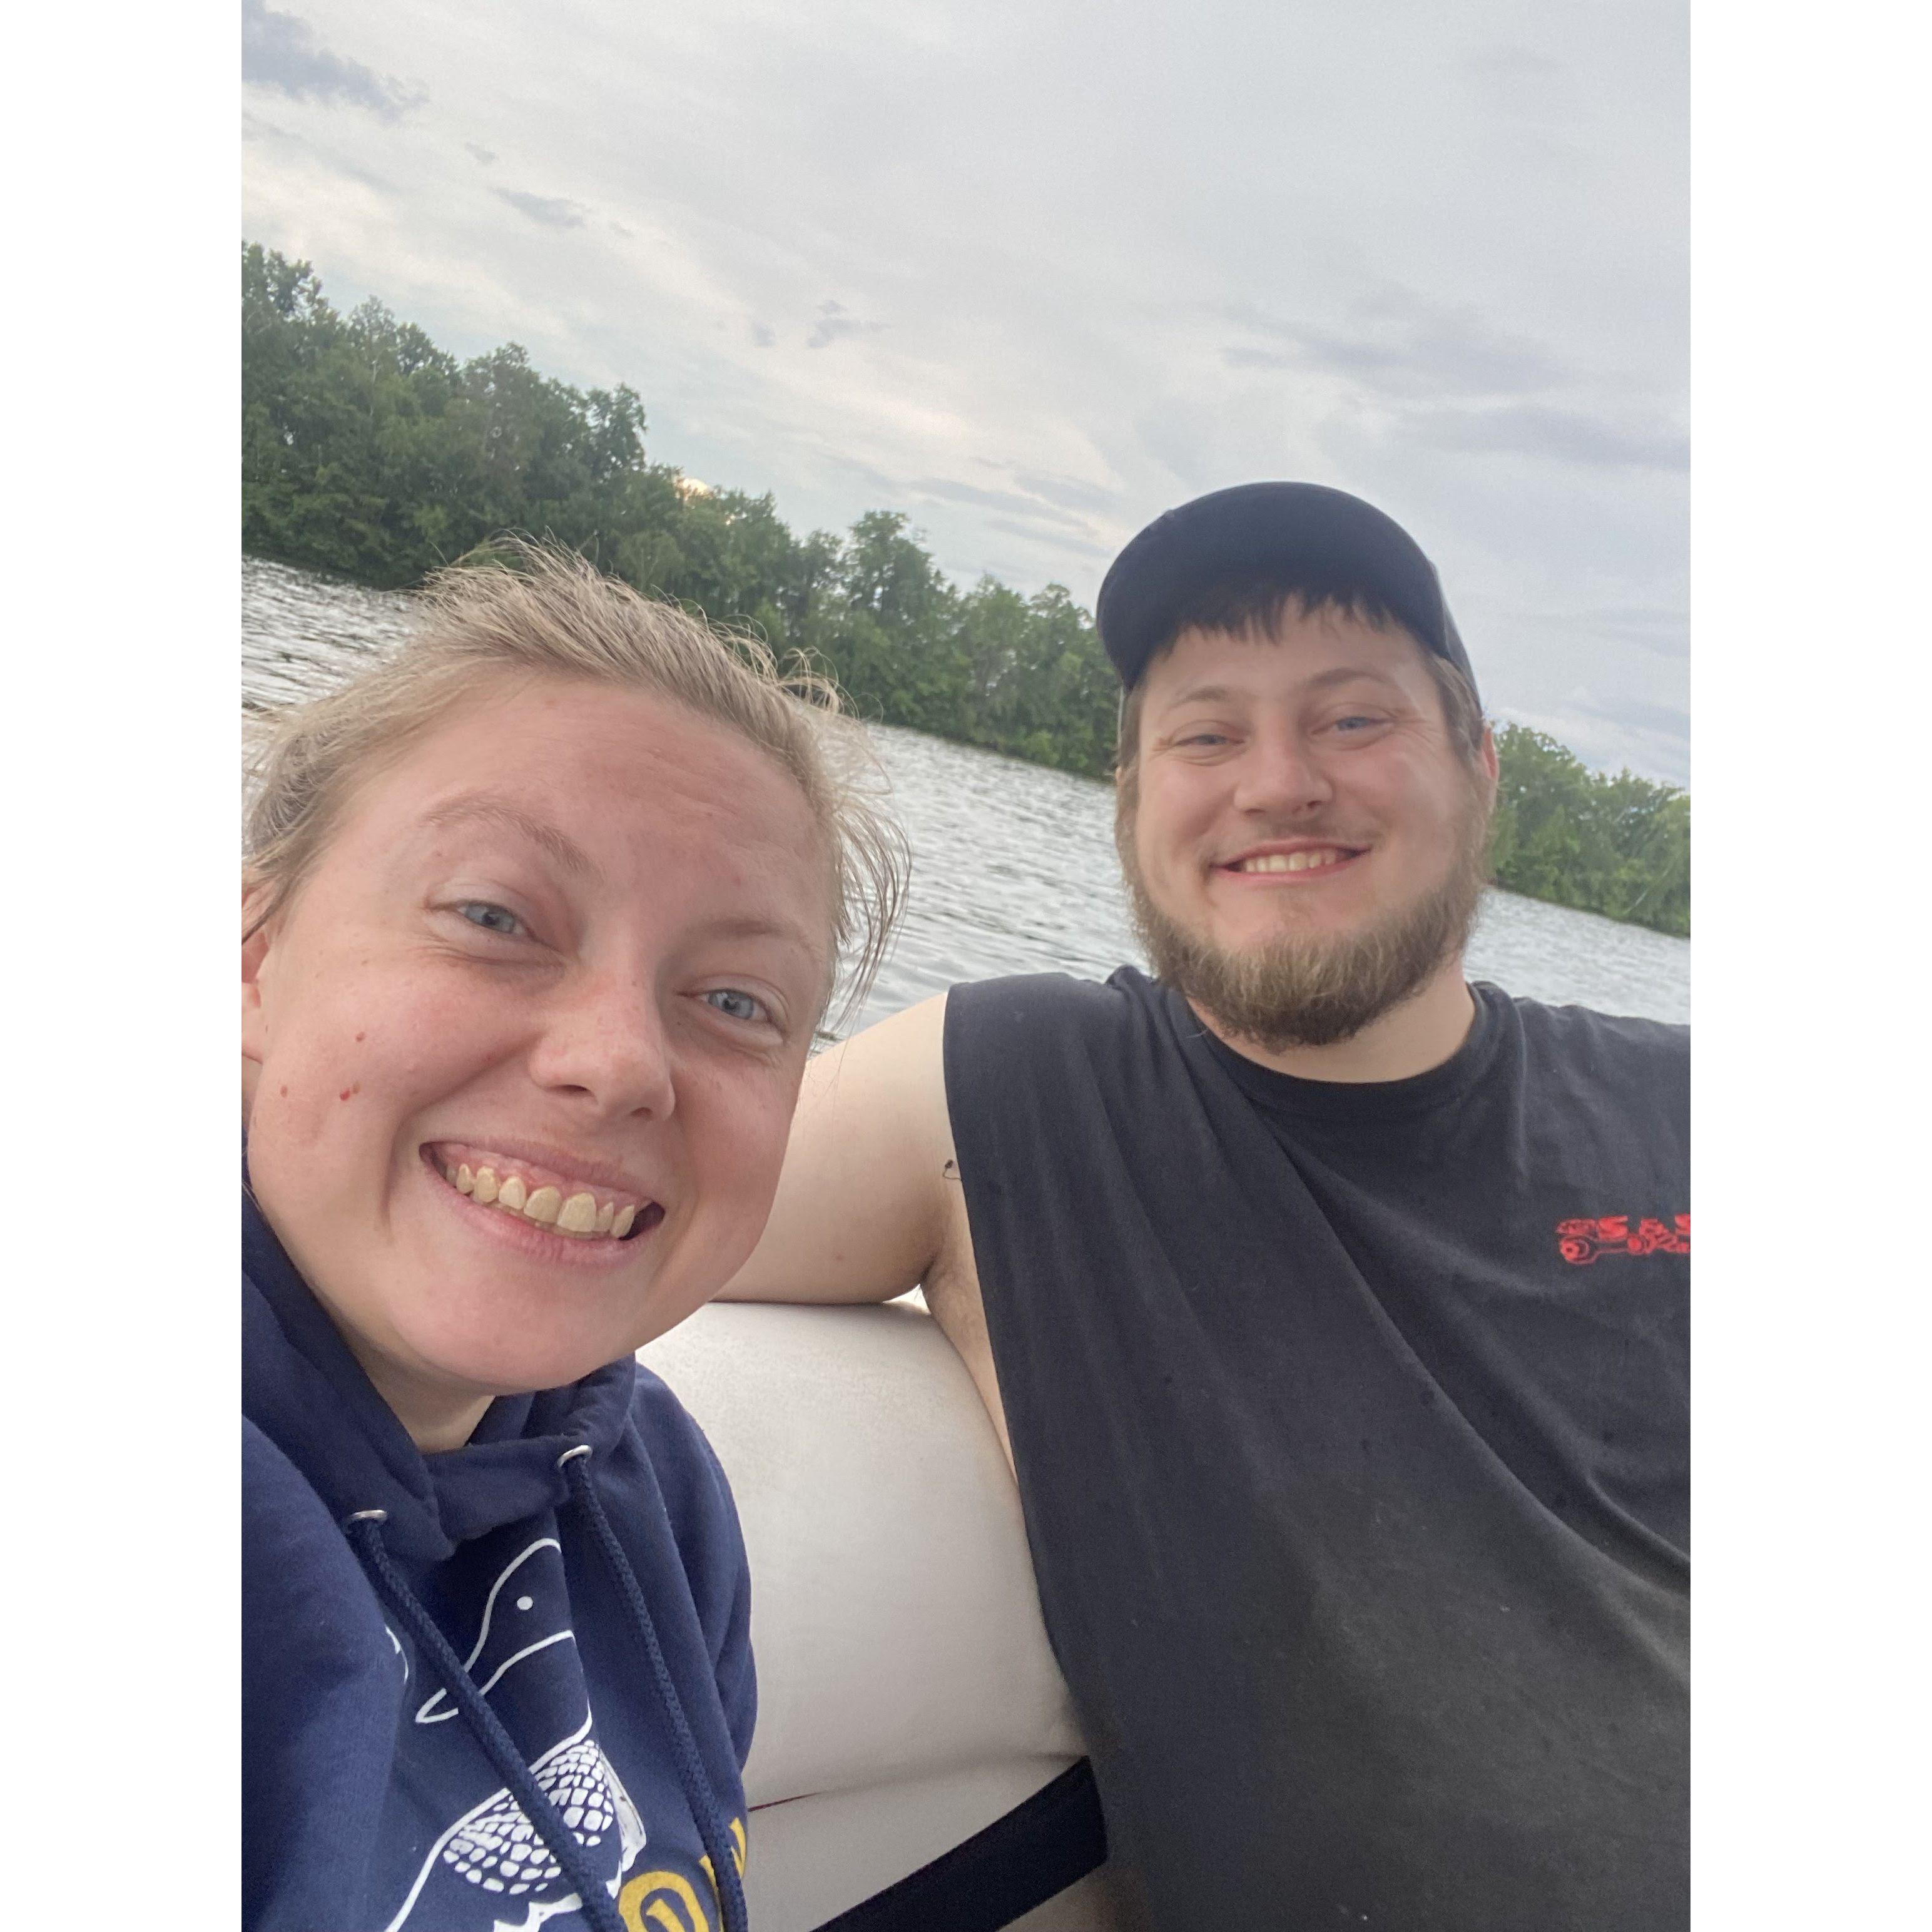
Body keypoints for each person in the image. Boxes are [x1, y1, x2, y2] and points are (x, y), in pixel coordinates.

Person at [726, 482, 1690, 1930]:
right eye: (1204, 731)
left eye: (1353, 717)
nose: (1277, 781)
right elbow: (608, 1197)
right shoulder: (1008, 1092)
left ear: (1480, 767)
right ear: (1131, 801)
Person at [242, 545, 904, 1932]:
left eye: (733, 1001)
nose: (617, 1062)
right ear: (255, 947)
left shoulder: (649, 1487)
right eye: (494, 917)